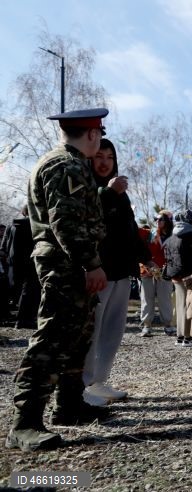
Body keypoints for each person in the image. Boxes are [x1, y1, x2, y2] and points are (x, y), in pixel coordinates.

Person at [6, 108, 110, 452]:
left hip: (72, 264)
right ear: (93, 134)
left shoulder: (69, 162)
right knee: (53, 337)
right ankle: (25, 422)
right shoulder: (64, 164)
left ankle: (69, 406)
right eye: (101, 133)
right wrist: (90, 263)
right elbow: (65, 222)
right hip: (65, 263)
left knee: (77, 336)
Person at [82, 138, 151, 407]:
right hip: (98, 270)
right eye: (99, 156)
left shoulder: (121, 195)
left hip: (121, 271)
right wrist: (108, 192)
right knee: (93, 330)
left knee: (113, 330)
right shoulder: (89, 188)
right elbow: (89, 217)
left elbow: (130, 229)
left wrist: (146, 258)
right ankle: (84, 385)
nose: (104, 162)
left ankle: (100, 381)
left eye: (110, 157)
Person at [162, 209, 192, 347]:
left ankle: (180, 336)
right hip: (189, 276)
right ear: (191, 221)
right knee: (189, 305)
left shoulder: (172, 236)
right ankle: (187, 337)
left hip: (175, 275)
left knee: (179, 306)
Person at [2, 206, 40, 329]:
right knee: (30, 289)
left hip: (12, 262)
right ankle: (24, 319)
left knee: (16, 290)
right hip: (30, 261)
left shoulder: (11, 225)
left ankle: (18, 318)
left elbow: (4, 245)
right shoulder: (34, 224)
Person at [138, 210, 175, 336]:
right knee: (147, 298)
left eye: (161, 219)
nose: (157, 221)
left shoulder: (174, 236)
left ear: (169, 221)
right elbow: (132, 230)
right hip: (147, 271)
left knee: (165, 299)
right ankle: (147, 326)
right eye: (156, 219)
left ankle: (168, 325)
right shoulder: (149, 234)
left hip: (165, 272)